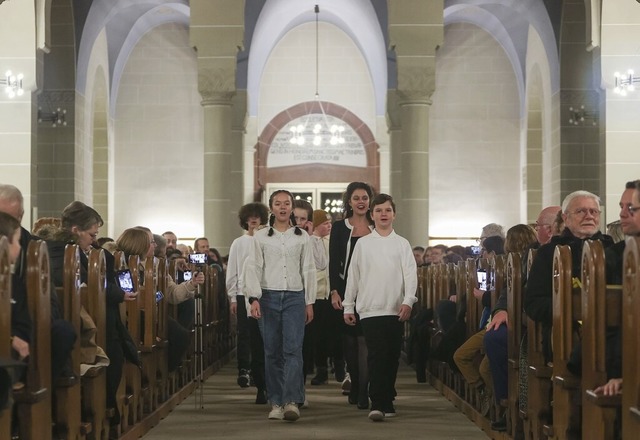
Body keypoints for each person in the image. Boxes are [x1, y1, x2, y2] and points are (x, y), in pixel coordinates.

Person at [45, 201, 138, 429]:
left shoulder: (45, 251)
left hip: (61, 329)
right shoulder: (73, 258)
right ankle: (106, 406)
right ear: (75, 230)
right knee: (114, 345)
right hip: (80, 333)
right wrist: (118, 295)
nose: (94, 240)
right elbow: (99, 288)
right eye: (91, 234)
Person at [343, 193, 417, 421]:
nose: (383, 214)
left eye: (387, 210)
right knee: (376, 355)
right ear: (371, 215)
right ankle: (377, 402)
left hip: (395, 308)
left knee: (392, 356)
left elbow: (410, 275)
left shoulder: (402, 244)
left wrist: (408, 300)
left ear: (394, 214)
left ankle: (387, 399)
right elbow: (353, 277)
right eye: (378, 210)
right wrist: (348, 306)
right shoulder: (363, 244)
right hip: (370, 308)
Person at [244, 190, 316, 422]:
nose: (283, 207)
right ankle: (276, 401)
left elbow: (309, 269)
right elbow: (253, 267)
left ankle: (292, 401)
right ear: (271, 208)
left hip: (295, 296)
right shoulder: (261, 236)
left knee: (293, 349)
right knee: (272, 351)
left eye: (287, 203)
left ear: (292, 207)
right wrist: (253, 297)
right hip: (268, 296)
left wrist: (309, 302)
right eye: (278, 203)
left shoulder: (301, 236)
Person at [329, 181, 374, 409]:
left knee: (364, 340)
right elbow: (333, 260)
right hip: (347, 289)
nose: (361, 202)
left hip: (371, 288)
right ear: (349, 201)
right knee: (350, 343)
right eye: (356, 198)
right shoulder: (339, 228)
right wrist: (335, 290)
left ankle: (364, 390)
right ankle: (355, 383)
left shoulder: (377, 226)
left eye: (364, 197)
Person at [226, 202, 269, 403]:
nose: (253, 219)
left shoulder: (267, 239)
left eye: (257, 216)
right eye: (250, 216)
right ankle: (245, 369)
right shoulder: (239, 243)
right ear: (245, 220)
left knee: (264, 338)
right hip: (244, 293)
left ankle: (265, 380)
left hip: (265, 292)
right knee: (246, 333)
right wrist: (233, 296)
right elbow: (233, 271)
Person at [309, 209, 345, 385]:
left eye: (330, 222)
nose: (329, 225)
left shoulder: (334, 241)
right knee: (318, 335)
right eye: (325, 223)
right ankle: (321, 370)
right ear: (316, 225)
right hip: (316, 294)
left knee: (338, 333)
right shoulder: (310, 241)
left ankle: (339, 366)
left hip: (334, 293)